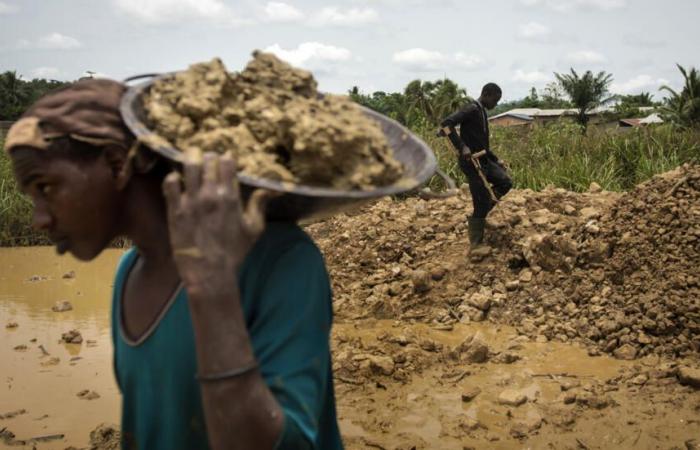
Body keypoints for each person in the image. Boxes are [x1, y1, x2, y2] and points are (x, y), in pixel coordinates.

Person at [4, 79, 343, 450]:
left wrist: (212, 289)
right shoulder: (127, 274)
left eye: (45, 187)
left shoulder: (280, 260)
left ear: (117, 165)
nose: (38, 218)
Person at [439, 83, 512, 247]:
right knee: (480, 202)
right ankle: (475, 244)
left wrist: (496, 159)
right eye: (495, 99)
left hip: (484, 158)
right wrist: (462, 147)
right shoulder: (471, 108)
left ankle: (482, 213)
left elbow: (482, 144)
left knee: (505, 182)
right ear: (486, 94)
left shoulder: (481, 111)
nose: (496, 104)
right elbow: (446, 124)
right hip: (471, 162)